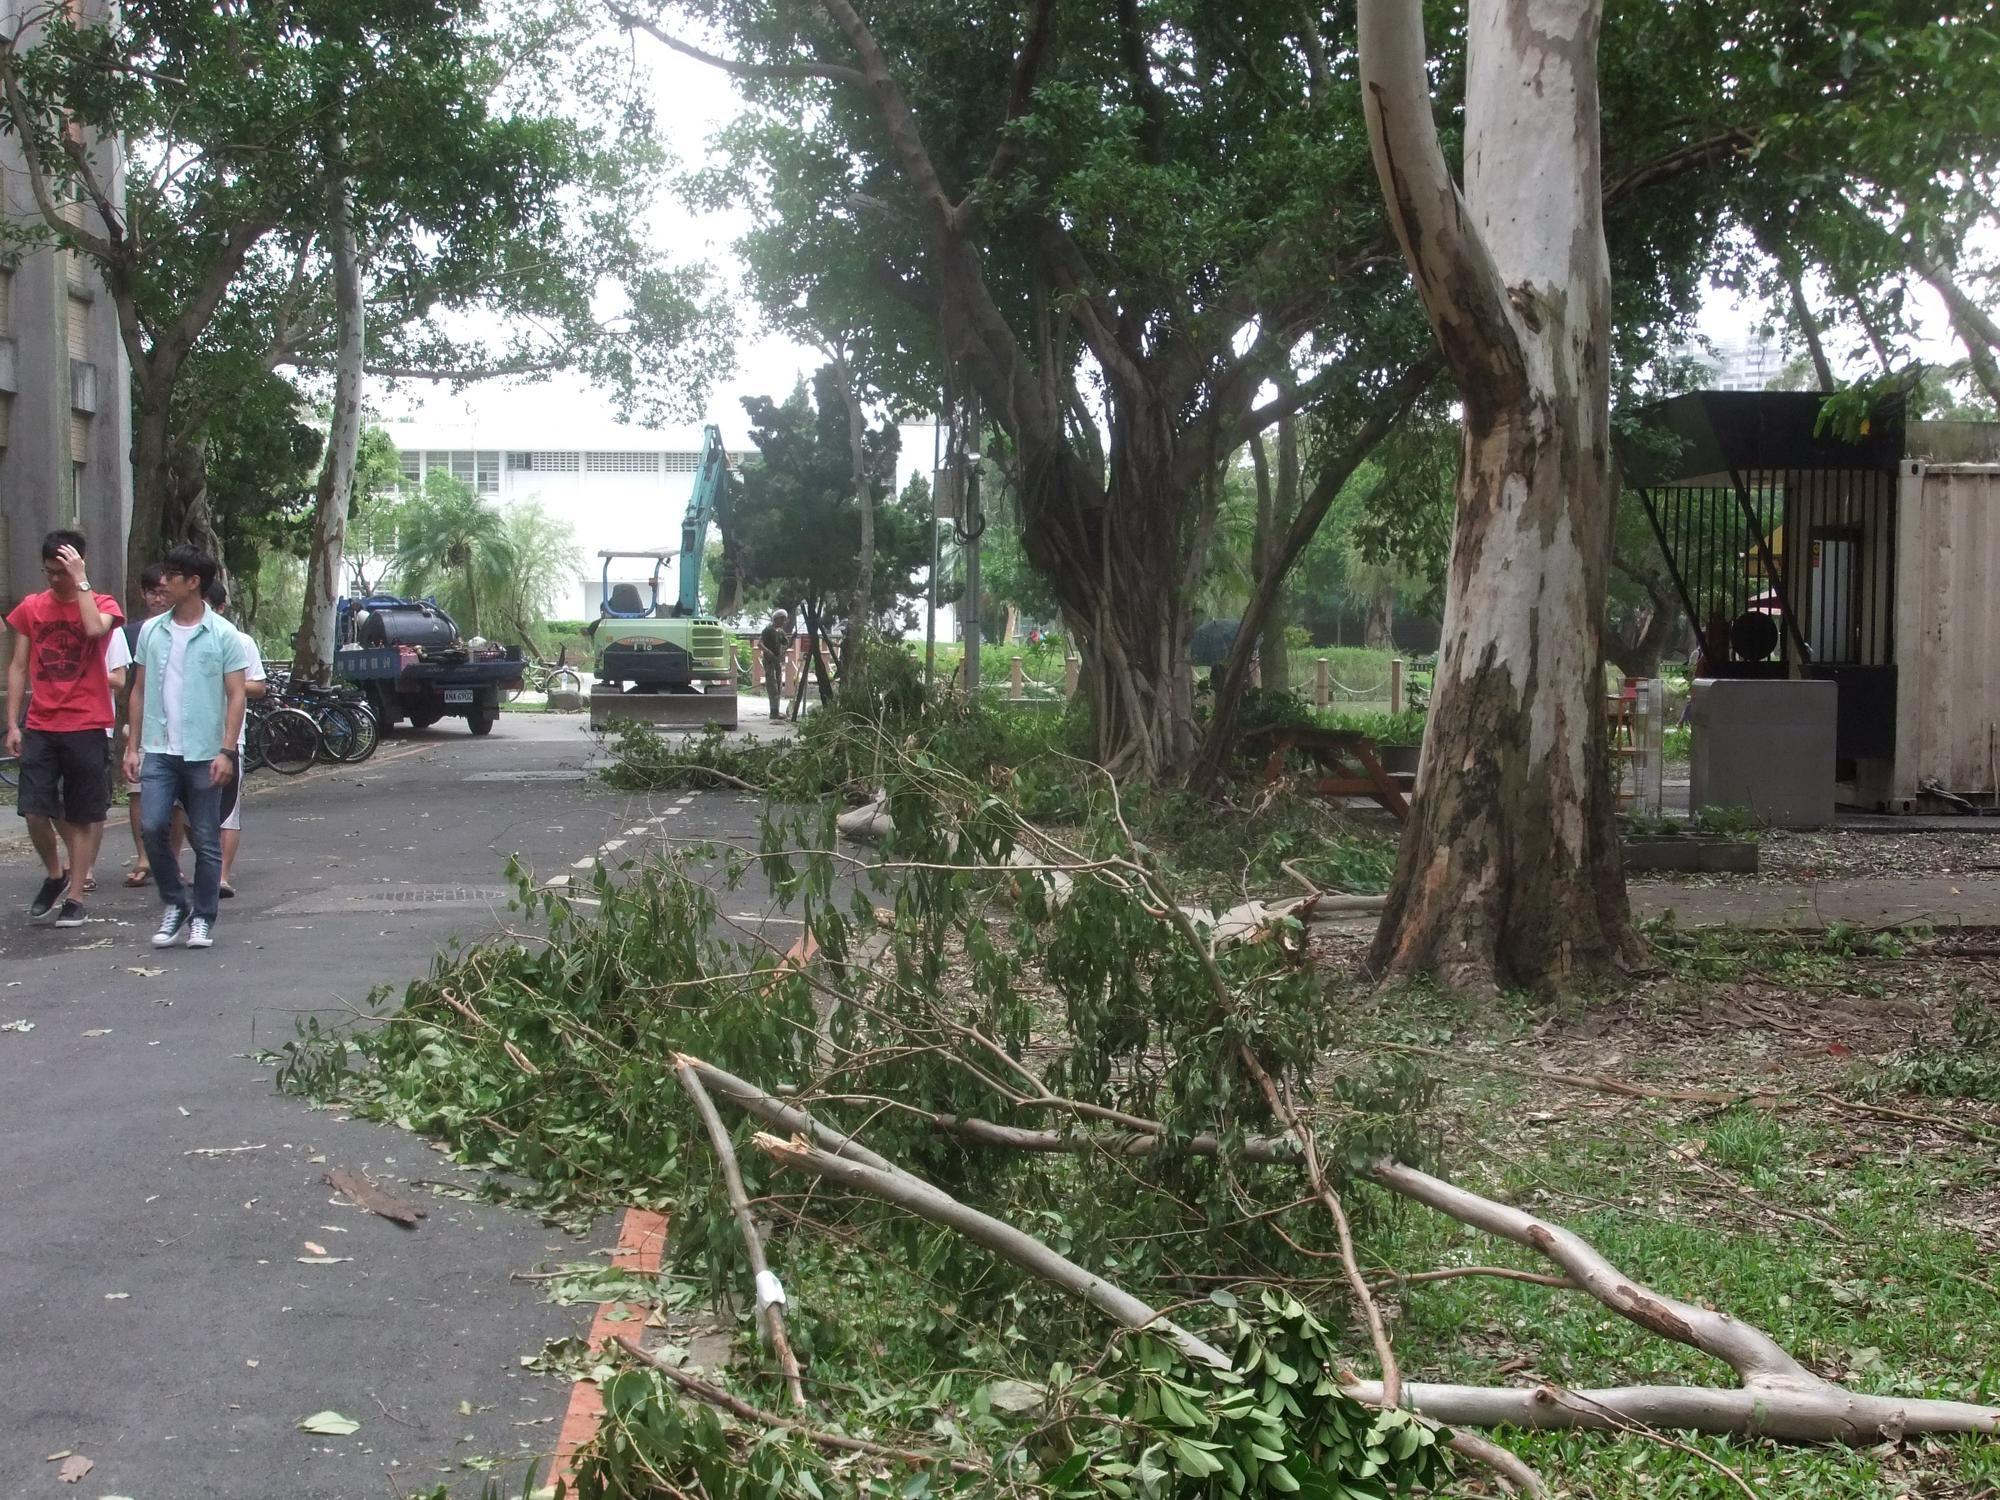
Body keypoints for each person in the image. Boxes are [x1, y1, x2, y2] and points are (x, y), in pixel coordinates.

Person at [123, 546, 249, 951]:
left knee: (207, 839)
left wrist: (227, 751)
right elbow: (139, 690)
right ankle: (175, 903)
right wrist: (132, 746)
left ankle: (203, 917)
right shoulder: (151, 632)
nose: (163, 582)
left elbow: (236, 696)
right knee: (153, 826)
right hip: (159, 748)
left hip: (204, 750)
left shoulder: (224, 635)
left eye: (173, 575)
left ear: (193, 582)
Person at [4, 530, 124, 927]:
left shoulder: (103, 603)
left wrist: (82, 580)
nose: (55, 579)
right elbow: (19, 666)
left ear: (78, 566)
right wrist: (12, 723)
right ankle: (56, 875)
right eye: (49, 572)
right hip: (41, 721)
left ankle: (75, 895)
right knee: (34, 808)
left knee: (84, 812)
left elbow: (93, 630)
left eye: (62, 572)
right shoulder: (31, 607)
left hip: (87, 722)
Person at [166, 579, 265, 897]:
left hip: (227, 738)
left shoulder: (238, 640)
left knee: (227, 812)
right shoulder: (172, 637)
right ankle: (204, 862)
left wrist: (225, 679)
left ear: (221, 608)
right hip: (187, 739)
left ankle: (221, 875)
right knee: (188, 810)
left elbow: (257, 686)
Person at [117, 565, 170, 887]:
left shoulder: (185, 628)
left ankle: (171, 858)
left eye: (164, 591)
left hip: (178, 726)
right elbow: (128, 685)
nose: (158, 598)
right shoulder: (131, 633)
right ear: (143, 593)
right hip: (144, 723)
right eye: (152, 592)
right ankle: (143, 855)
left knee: (177, 800)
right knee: (137, 791)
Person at [759, 609, 792, 720]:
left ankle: (775, 711)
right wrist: (768, 651)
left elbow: (786, 644)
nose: (784, 621)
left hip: (777, 662)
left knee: (778, 686)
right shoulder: (768, 630)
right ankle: (773, 712)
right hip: (769, 661)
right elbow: (760, 643)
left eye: (785, 619)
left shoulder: (781, 632)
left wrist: (785, 649)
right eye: (782, 618)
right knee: (772, 685)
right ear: (776, 619)